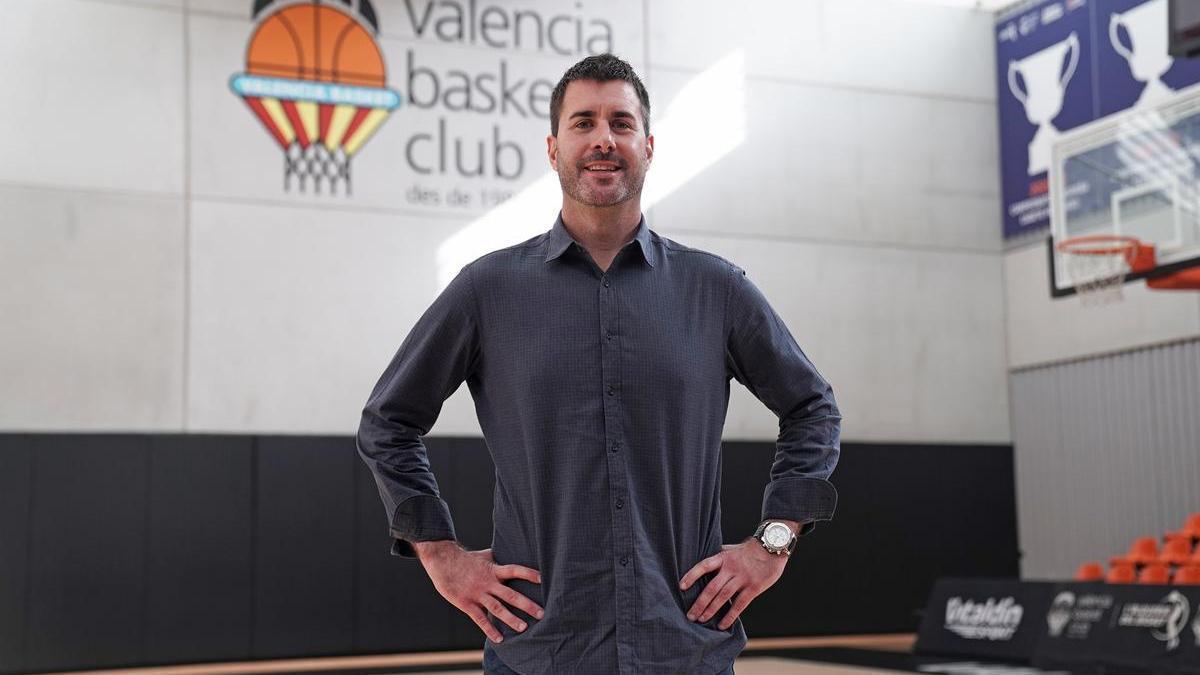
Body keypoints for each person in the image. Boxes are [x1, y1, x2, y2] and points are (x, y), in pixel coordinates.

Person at [357, 53, 841, 675]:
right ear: (553, 148)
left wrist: (774, 540)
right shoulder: (488, 290)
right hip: (539, 650)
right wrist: (439, 553)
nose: (603, 139)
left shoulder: (716, 290)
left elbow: (812, 407)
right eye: (583, 122)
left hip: (682, 648)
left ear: (649, 147)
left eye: (622, 122)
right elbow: (388, 422)